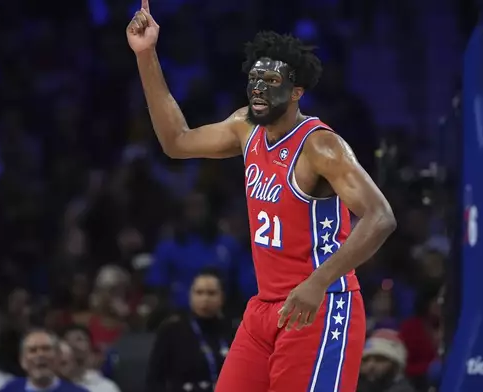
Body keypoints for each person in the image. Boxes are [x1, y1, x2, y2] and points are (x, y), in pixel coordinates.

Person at [126, 1, 396, 390]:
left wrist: (317, 282)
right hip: (265, 307)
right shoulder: (245, 125)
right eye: (255, 78)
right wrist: (146, 54)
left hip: (319, 305)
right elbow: (177, 141)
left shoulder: (321, 147)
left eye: (272, 81)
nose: (259, 87)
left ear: (296, 91)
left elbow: (380, 216)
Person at [146, 269, 234, 392]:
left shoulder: (234, 330)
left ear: (222, 296)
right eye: (199, 292)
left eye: (211, 293)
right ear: (190, 295)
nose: (205, 299)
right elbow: (154, 379)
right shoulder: (171, 331)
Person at [0, 330, 87, 392]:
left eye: (46, 349)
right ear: (23, 361)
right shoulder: (9, 389)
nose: (40, 355)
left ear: (58, 357)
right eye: (33, 350)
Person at [61, 326, 121, 392]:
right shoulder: (54, 384)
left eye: (79, 339)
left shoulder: (106, 387)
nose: (73, 344)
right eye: (66, 340)